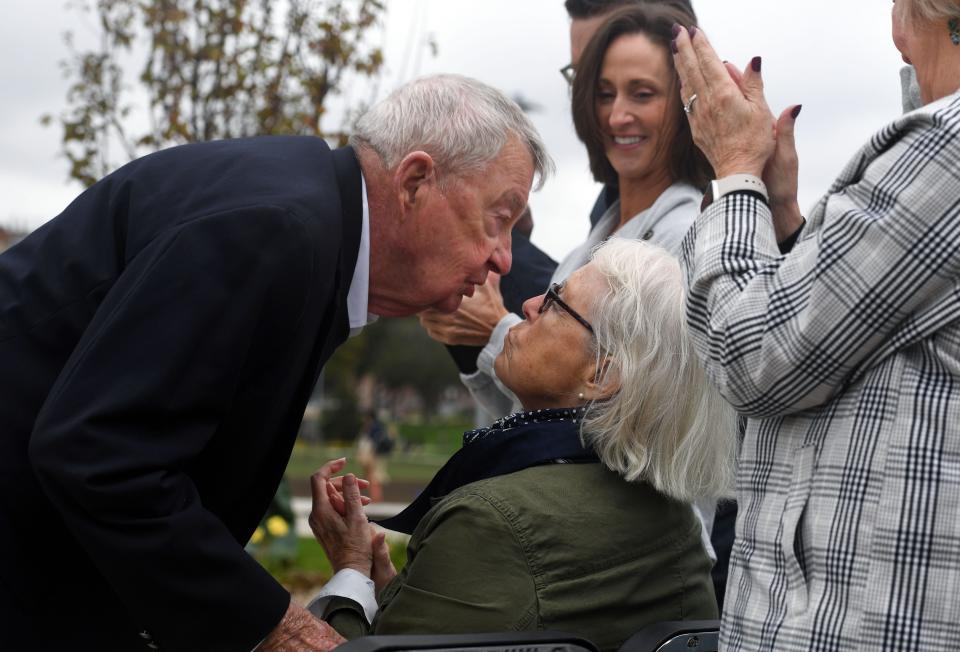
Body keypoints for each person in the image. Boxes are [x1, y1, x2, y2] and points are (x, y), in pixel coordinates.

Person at [0, 74, 551, 652]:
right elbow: (98, 455)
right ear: (414, 181)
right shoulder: (275, 229)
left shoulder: (306, 221)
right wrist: (276, 629)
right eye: (499, 218)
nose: (504, 260)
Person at [671, 1, 960, 648]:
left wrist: (735, 174)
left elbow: (757, 359)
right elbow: (864, 350)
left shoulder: (948, 148)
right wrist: (779, 223)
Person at [308, 239, 737, 652]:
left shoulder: (488, 519)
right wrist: (399, 595)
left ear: (601, 374)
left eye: (556, 302)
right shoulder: (678, 520)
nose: (529, 305)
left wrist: (351, 572)